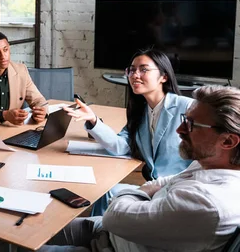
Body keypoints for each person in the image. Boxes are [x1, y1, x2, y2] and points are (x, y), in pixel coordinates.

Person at [39, 85, 240, 252]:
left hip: (115, 245)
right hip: (117, 232)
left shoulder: (208, 203)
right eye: (184, 120)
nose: (180, 130)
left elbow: (113, 215)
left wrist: (138, 194)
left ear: (228, 140)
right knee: (38, 230)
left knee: (24, 245)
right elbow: (164, 182)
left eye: (191, 124)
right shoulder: (210, 162)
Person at [65, 48, 193, 215]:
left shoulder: (187, 107)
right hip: (157, 189)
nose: (135, 75)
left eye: (143, 69)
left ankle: (99, 234)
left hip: (179, 191)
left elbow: (204, 160)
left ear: (164, 76)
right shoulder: (141, 112)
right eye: (132, 70)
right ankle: (99, 233)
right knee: (105, 191)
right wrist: (93, 120)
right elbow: (120, 146)